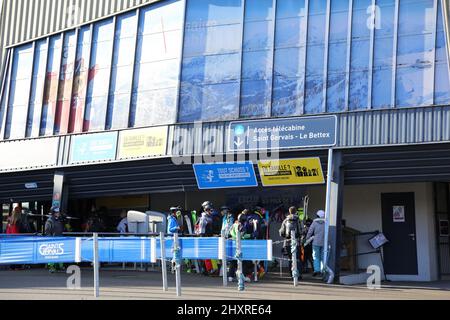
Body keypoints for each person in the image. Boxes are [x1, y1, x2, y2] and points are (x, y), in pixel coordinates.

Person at [279, 206, 303, 280]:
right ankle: (298, 275)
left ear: (289, 212)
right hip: (297, 242)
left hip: (288, 243)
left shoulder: (285, 220)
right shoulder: (298, 220)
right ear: (296, 211)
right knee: (298, 259)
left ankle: (292, 275)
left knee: (291, 259)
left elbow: (281, 232)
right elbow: (301, 231)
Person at [228, 212, 252, 283]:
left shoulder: (233, 224)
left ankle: (230, 276)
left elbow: (229, 233)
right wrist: (251, 235)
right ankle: (243, 276)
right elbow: (242, 236)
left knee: (233, 261)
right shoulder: (241, 225)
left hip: (232, 245)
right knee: (243, 261)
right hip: (239, 245)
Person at [45, 207, 65, 273]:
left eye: (58, 212)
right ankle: (51, 267)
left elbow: (60, 229)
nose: (58, 213)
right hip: (52, 240)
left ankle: (60, 266)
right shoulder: (49, 221)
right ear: (53, 213)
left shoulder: (58, 220)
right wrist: (50, 239)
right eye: (57, 212)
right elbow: (47, 231)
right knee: (52, 254)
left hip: (59, 238)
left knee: (60, 252)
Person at [306, 210, 326, 277]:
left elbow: (310, 231)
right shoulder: (326, 222)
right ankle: (323, 270)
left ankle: (317, 270)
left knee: (316, 257)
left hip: (316, 242)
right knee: (323, 256)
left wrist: (307, 238)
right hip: (324, 242)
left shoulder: (314, 222)